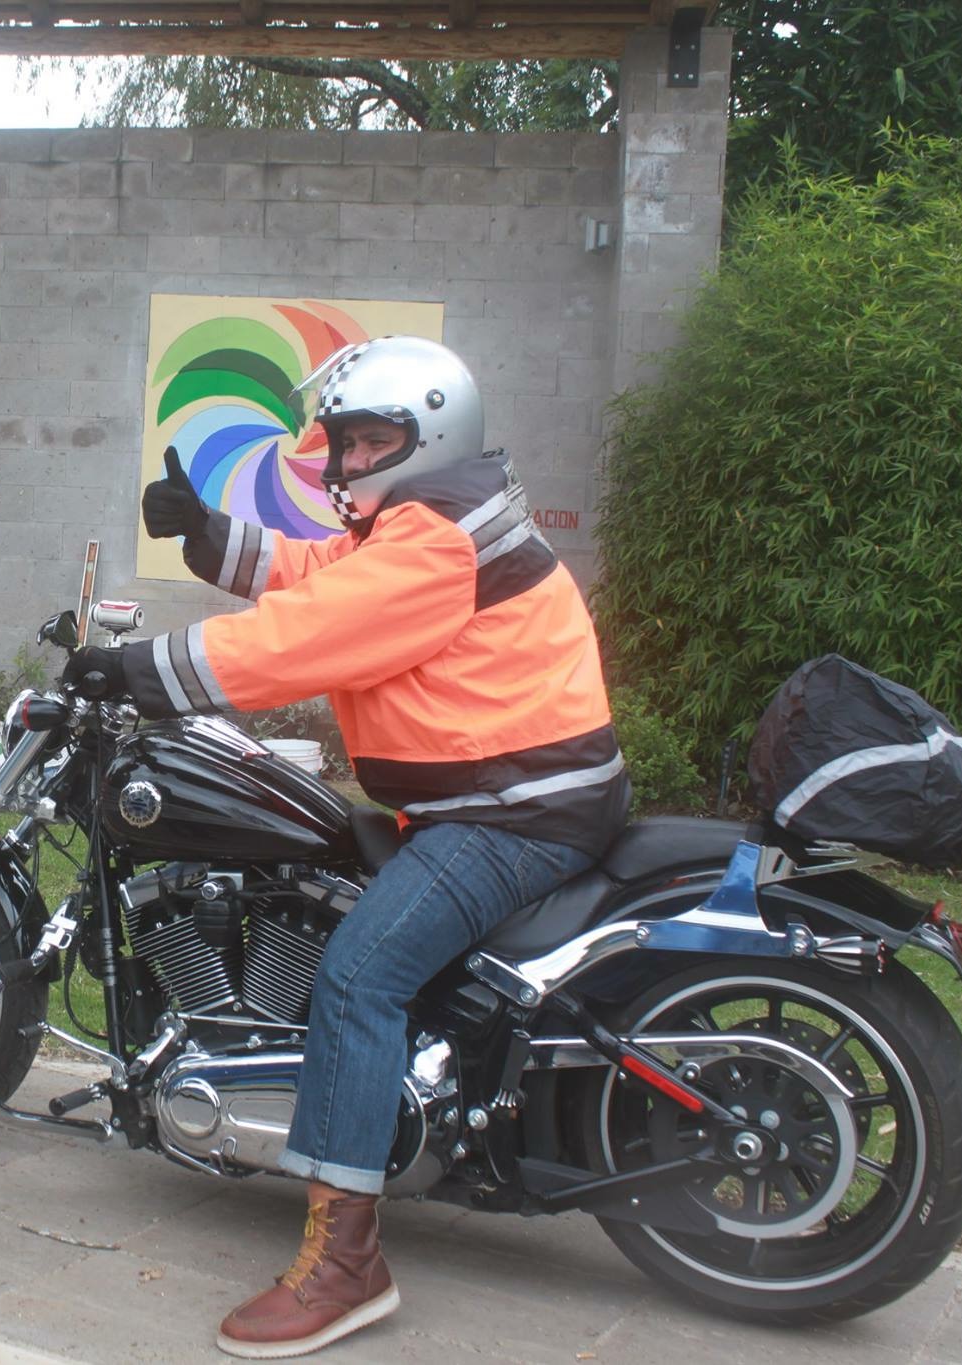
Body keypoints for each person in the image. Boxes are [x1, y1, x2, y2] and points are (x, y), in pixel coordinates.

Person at [64, 335, 630, 1359]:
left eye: (370, 440)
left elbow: (300, 639)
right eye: (344, 441)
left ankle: (347, 1263)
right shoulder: (421, 523)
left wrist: (138, 671)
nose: (347, 459)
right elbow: (317, 575)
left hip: (508, 812)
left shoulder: (435, 542)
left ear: (427, 434)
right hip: (499, 794)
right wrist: (208, 537)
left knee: (359, 978)